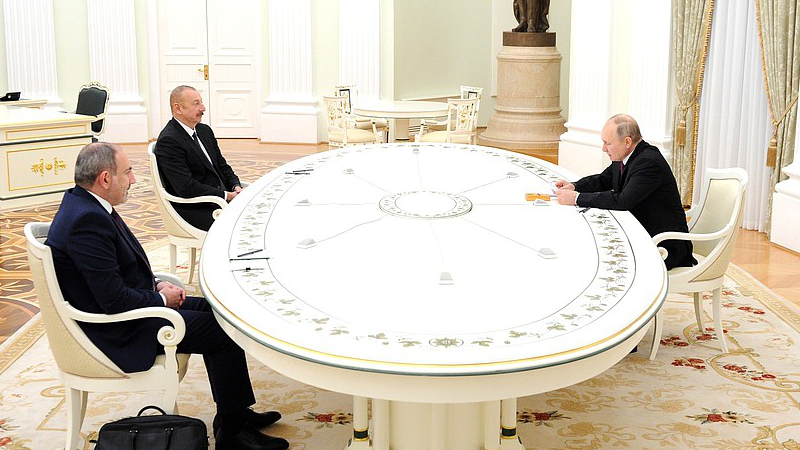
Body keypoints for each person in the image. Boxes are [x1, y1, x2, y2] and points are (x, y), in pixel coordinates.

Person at [45, 142, 289, 450]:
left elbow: (114, 277)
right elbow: (112, 301)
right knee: (221, 332)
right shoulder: (86, 221)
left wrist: (156, 286)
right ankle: (233, 433)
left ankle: (235, 412)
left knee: (221, 311)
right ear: (105, 179)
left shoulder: (84, 204)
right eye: (128, 172)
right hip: (118, 329)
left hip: (129, 308)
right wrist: (161, 301)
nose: (134, 180)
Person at [554, 114, 696, 271]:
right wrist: (575, 186)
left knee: (599, 257)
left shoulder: (648, 162)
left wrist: (577, 198)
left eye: (608, 143)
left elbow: (623, 201)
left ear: (627, 141)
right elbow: (604, 180)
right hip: (642, 233)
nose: (604, 148)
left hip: (665, 246)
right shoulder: (627, 156)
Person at [155, 85, 243, 231]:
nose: (203, 108)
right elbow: (186, 187)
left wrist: (236, 186)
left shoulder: (204, 131)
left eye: (201, 102)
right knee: (246, 225)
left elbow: (222, 166)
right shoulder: (169, 140)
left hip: (218, 200)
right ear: (178, 109)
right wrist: (226, 196)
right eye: (196, 103)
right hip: (197, 208)